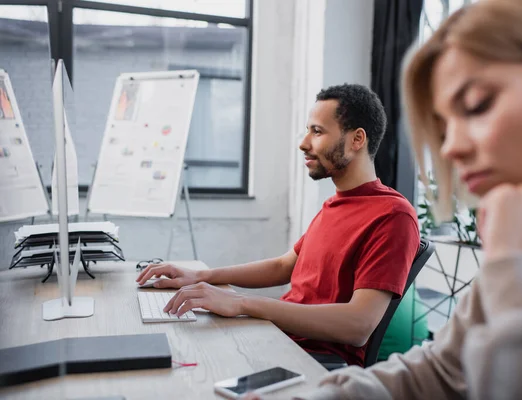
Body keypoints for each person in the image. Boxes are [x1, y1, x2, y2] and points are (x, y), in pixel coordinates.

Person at [286, 0, 522, 399]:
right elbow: (441, 369)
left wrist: (514, 266)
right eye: (444, 126)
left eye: (477, 105)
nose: (449, 148)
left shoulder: (515, 256)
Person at [136, 84, 421, 367]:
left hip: (315, 361)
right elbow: (285, 266)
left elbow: (358, 326)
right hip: (279, 339)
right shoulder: (336, 203)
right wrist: (201, 276)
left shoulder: (392, 216)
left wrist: (242, 303)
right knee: (172, 345)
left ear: (357, 139)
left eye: (317, 131)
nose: (304, 143)